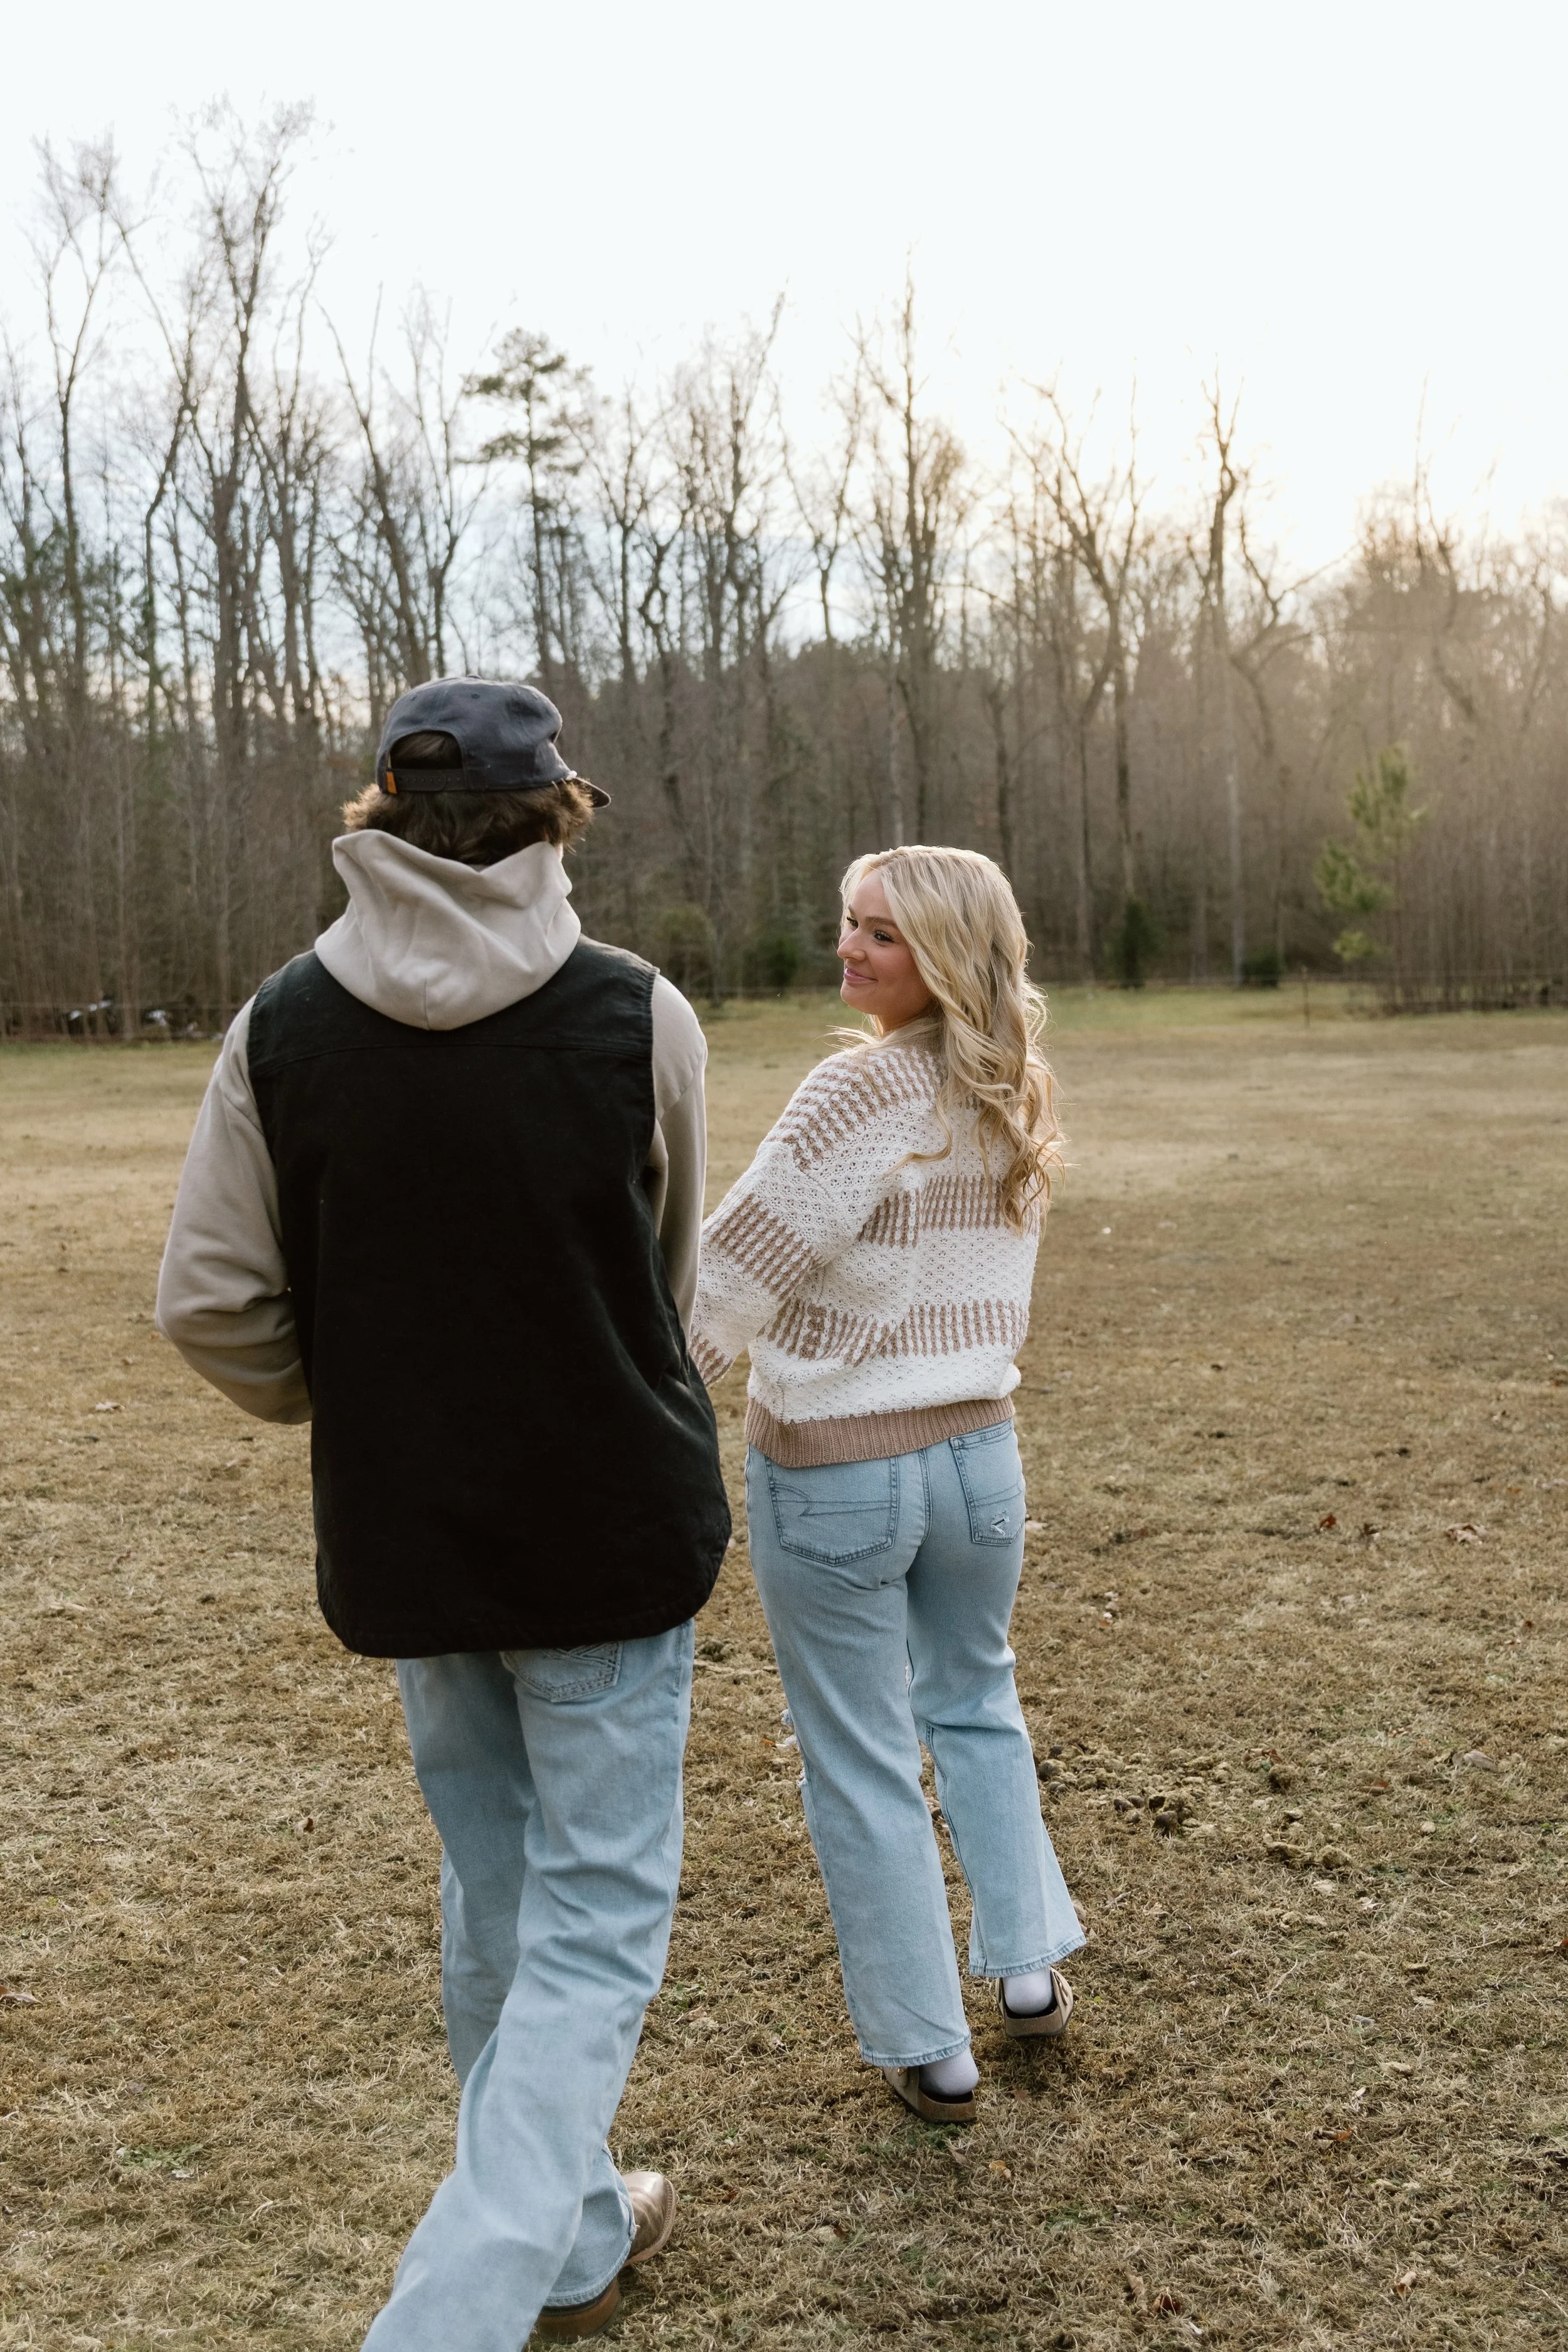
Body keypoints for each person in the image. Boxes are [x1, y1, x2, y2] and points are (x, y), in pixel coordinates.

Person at [156, 677, 731, 2346]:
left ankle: (562, 2233)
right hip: (603, 1527)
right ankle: (452, 2308)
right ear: (559, 814)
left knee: (499, 1895)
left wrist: (356, 1399)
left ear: (380, 813)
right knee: (592, 1920)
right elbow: (668, 1268)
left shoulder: (281, 1025)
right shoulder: (644, 1016)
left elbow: (211, 1300)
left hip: (420, 1536)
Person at [689, 844, 1083, 2126]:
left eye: (879, 935)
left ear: (946, 954)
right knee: (974, 1703)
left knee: (859, 1754)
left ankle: (931, 2046)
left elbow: (731, 1275)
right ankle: (1023, 1974)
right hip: (978, 1460)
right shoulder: (1009, 1087)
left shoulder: (851, 1094)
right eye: (845, 924)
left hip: (841, 1470)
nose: (846, 952)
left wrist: (642, 1398)